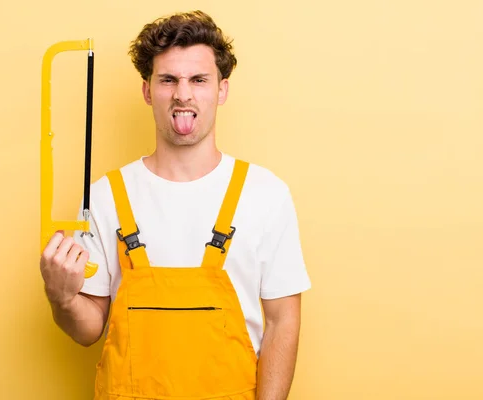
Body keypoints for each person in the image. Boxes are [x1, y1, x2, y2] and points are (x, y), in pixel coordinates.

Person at [39, 10, 311, 400]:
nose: (183, 93)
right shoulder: (104, 197)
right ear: (148, 91)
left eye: (198, 79)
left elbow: (284, 321)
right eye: (168, 80)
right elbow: (87, 330)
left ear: (222, 89)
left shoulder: (265, 194)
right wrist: (61, 297)